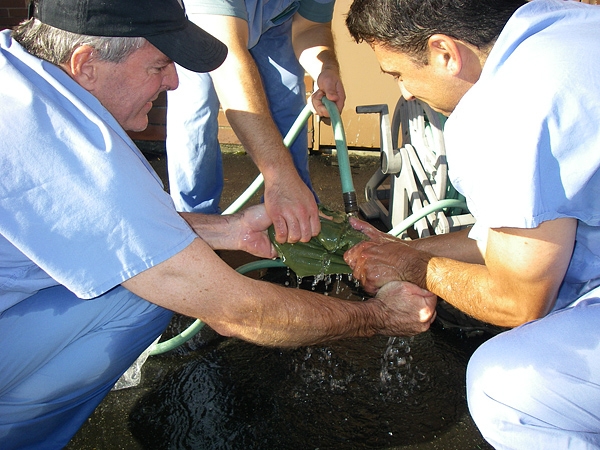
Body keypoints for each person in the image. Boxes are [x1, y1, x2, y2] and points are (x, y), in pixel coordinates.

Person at [0, 0, 436, 448]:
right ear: (86, 63)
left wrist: (229, 230)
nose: (172, 81)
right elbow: (238, 311)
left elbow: (97, 226)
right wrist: (378, 316)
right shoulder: (82, 156)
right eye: (159, 66)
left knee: (147, 285)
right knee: (164, 289)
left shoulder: (17, 73)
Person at [344, 0, 600, 448]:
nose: (403, 93)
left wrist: (413, 268)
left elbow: (518, 301)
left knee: (504, 387)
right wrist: (405, 249)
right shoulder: (568, 27)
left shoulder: (505, 107)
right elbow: (517, 237)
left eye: (397, 73)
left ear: (444, 51)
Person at [165, 0, 346, 245]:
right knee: (195, 119)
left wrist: (326, 68)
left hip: (273, 21)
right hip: (202, 23)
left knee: (286, 107)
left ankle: (293, 227)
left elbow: (310, 28)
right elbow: (228, 65)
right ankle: (198, 231)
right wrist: (279, 176)